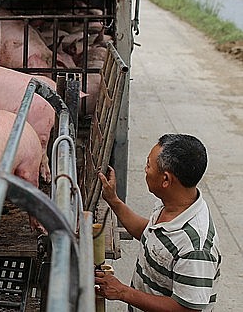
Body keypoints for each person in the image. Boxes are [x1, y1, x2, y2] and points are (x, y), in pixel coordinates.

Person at [94, 134, 221, 312]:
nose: (145, 170)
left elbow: (187, 309)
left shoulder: (195, 247)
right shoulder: (173, 203)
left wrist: (123, 292)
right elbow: (150, 236)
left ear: (166, 180)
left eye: (148, 165)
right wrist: (113, 200)